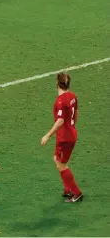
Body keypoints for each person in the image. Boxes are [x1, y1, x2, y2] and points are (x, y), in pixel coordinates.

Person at [41, 72, 82, 203]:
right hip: (70, 133)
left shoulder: (61, 101)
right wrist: (72, 127)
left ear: (57, 83)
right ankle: (68, 188)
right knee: (56, 159)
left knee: (61, 165)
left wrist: (47, 135)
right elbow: (76, 113)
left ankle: (76, 192)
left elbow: (60, 121)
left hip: (65, 137)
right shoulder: (73, 96)